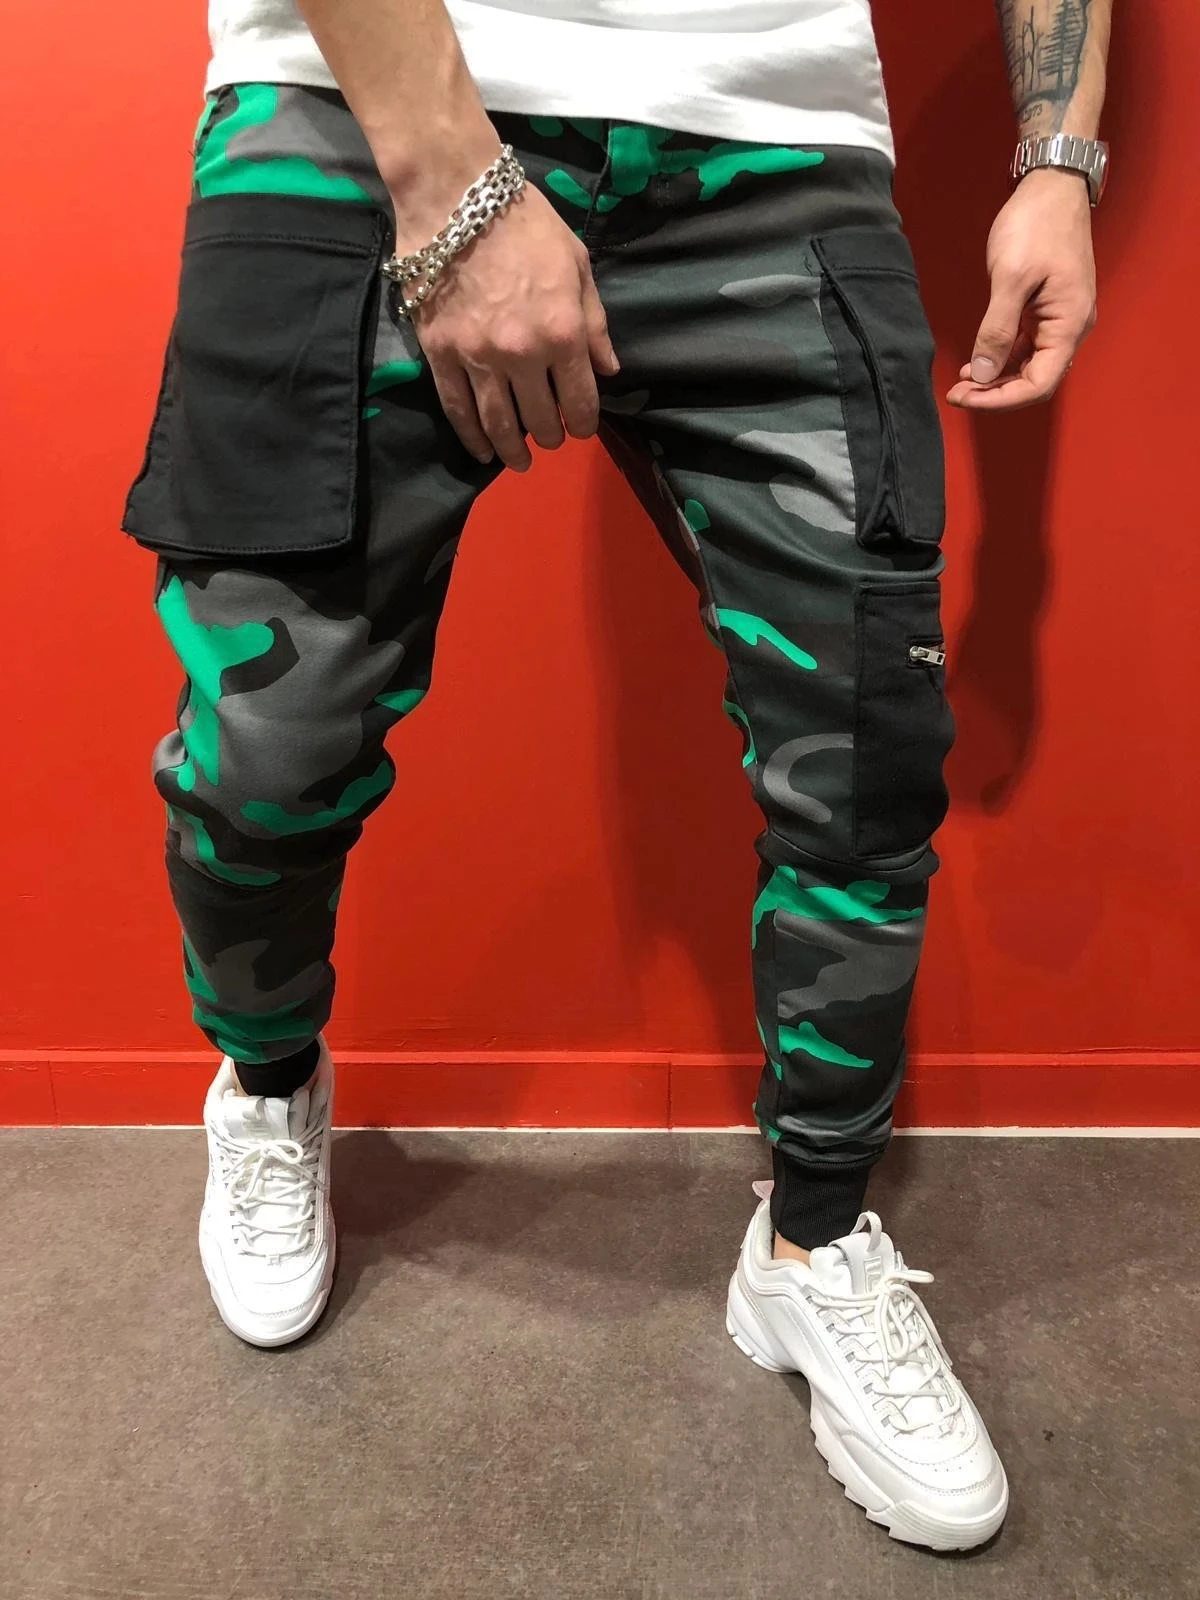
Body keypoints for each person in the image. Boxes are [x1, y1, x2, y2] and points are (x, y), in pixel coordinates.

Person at [123, 0, 1112, 1552]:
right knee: (268, 751)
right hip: (352, 108)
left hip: (777, 137)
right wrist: (455, 177)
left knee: (869, 768)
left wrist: (1059, 159)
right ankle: (267, 1084)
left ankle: (813, 1244)